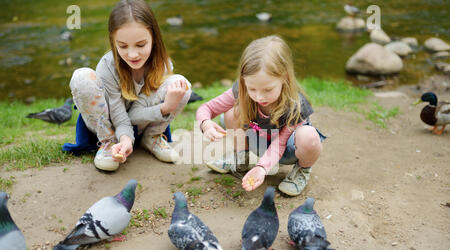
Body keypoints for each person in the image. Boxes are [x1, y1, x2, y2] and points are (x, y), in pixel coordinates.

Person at [68, 0, 191, 171]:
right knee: (82, 77)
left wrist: (166, 107)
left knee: (181, 84)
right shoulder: (107, 67)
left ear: (154, 38)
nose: (132, 54)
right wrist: (125, 139)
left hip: (142, 122)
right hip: (109, 123)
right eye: (123, 46)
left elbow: (134, 116)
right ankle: (108, 144)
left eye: (141, 45)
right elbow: (120, 116)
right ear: (113, 41)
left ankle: (152, 137)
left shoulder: (162, 65)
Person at [196, 35, 325, 196]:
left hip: (286, 151)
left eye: (268, 90)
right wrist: (205, 124)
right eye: (252, 89)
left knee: (309, 136)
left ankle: (302, 170)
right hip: (259, 143)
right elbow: (206, 108)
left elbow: (280, 144)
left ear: (284, 77)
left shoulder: (295, 104)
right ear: (244, 80)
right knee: (231, 112)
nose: (259, 97)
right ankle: (241, 158)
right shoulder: (242, 90)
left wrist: (261, 167)